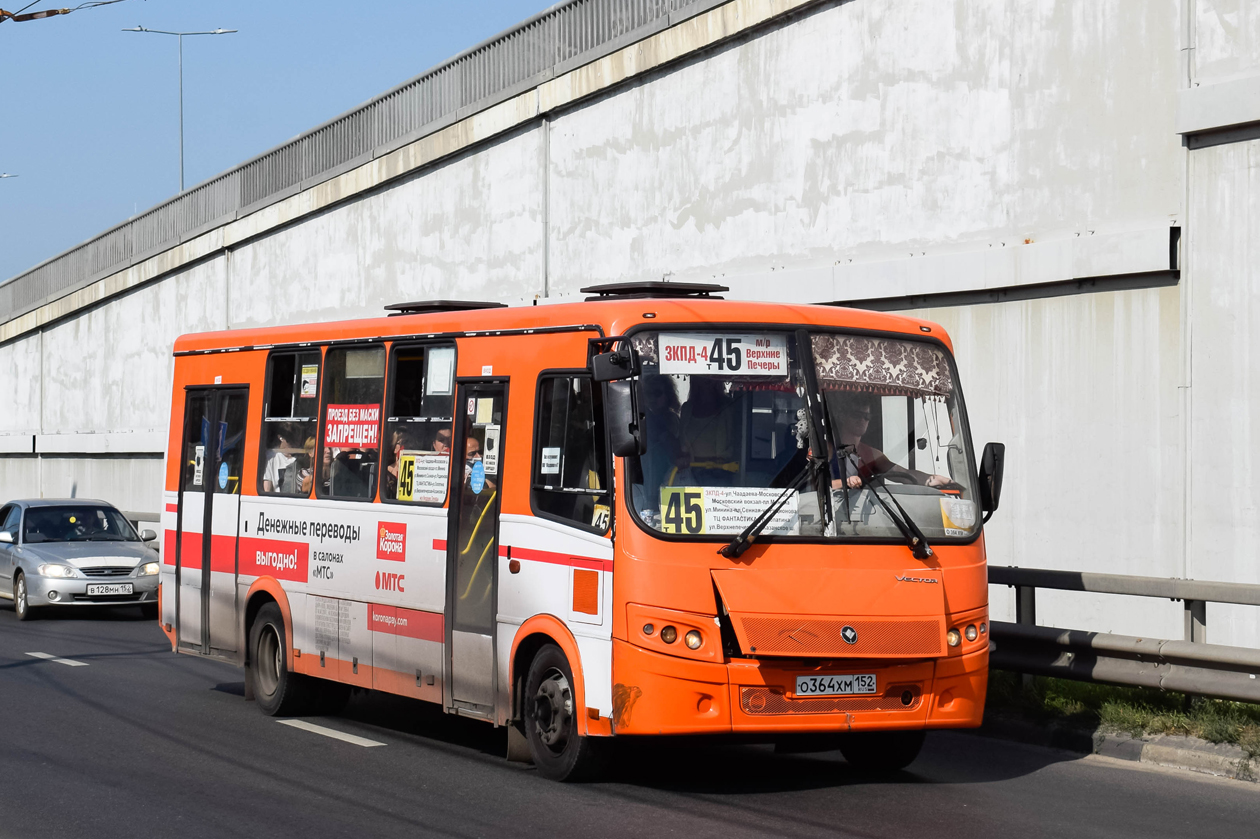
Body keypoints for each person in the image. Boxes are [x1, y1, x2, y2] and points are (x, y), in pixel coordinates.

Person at [830, 395, 951, 489]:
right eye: (857, 415)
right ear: (842, 416)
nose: (862, 420)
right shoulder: (827, 449)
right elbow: (813, 488)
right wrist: (845, 483)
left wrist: (933, 479)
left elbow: (903, 474)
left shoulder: (871, 454)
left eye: (867, 417)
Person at [262, 423, 302, 493]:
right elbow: (267, 487)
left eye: (297, 439)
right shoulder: (271, 456)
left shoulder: (303, 456)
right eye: (290, 439)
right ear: (280, 437)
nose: (295, 442)